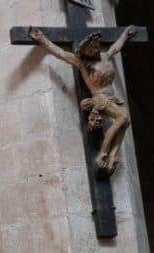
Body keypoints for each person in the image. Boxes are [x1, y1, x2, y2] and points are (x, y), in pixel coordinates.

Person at [29, 24, 138, 175]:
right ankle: (103, 153)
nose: (94, 49)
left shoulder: (105, 56)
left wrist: (125, 35)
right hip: (100, 98)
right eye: (90, 47)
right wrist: (42, 38)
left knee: (125, 122)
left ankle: (112, 155)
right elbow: (60, 53)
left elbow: (116, 47)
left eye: (95, 45)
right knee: (122, 118)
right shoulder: (83, 64)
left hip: (113, 97)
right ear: (85, 51)